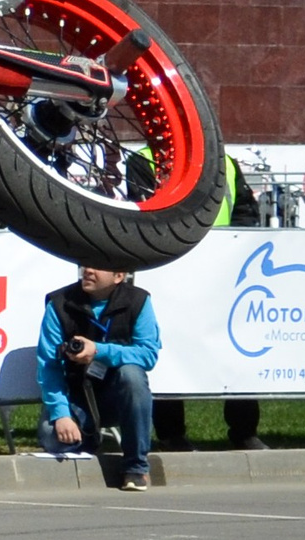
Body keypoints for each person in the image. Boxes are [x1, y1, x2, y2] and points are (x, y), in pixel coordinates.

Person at [153, 153, 265, 453]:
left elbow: (245, 211)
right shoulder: (145, 159)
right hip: (172, 269)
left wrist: (231, 250)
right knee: (170, 352)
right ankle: (171, 434)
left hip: (224, 273)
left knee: (238, 349)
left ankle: (244, 431)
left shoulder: (224, 161)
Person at [37, 263, 159, 491]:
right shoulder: (59, 303)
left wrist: (98, 351)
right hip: (77, 395)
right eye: (85, 264)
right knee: (51, 437)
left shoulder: (138, 301)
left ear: (119, 275)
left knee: (132, 374)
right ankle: (90, 437)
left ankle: (136, 467)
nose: (88, 270)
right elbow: (48, 367)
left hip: (118, 395)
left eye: (98, 267)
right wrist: (62, 414)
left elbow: (148, 355)